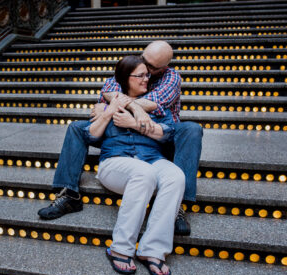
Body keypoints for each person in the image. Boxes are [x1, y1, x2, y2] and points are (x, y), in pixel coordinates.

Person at [38, 41, 203, 236]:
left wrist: (115, 105)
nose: (146, 71)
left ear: (163, 68)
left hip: (158, 131)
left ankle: (178, 207)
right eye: (144, 62)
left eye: (151, 68)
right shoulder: (133, 67)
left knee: (192, 130)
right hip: (117, 130)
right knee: (76, 127)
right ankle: (69, 194)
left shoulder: (171, 77)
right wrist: (127, 108)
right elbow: (107, 91)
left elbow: (155, 103)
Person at [87, 56, 184, 275]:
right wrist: (110, 111)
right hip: (115, 162)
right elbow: (91, 135)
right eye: (140, 75)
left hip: (151, 158)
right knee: (143, 173)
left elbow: (166, 133)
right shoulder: (106, 103)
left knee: (175, 176)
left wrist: (134, 124)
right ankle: (120, 248)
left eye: (147, 75)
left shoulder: (155, 105)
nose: (146, 79)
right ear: (124, 79)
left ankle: (152, 250)